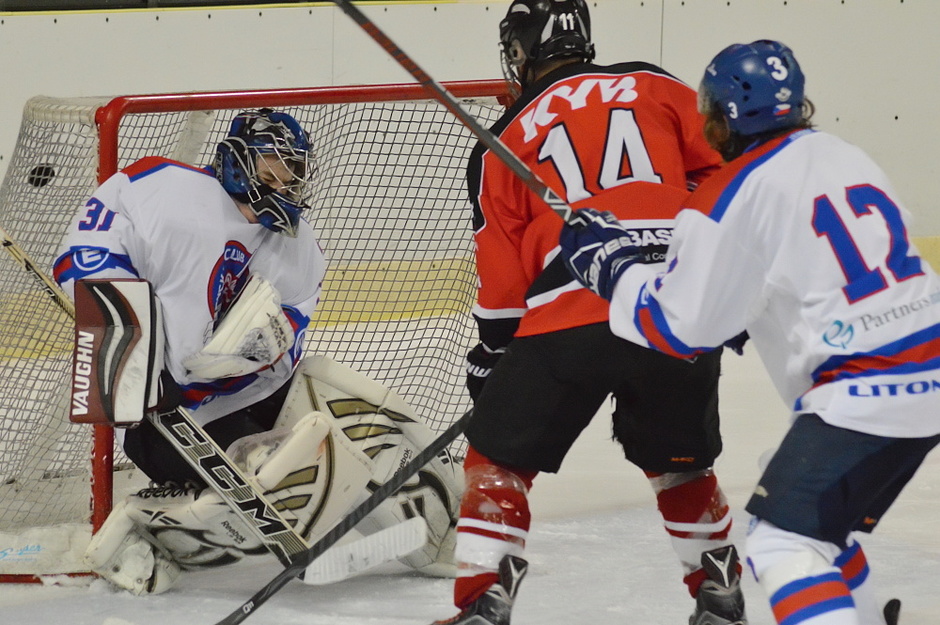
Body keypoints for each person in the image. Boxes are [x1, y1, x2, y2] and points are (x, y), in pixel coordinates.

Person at [559, 39, 937, 625]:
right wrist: (745, 312)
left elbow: (677, 328)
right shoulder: (844, 155)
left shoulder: (729, 194)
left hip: (865, 393)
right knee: (795, 498)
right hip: (927, 368)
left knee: (783, 544)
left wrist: (610, 267)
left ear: (720, 121)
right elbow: (826, 268)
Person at [53, 108, 461, 594]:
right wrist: (133, 349)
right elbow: (81, 256)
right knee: (274, 476)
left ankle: (436, 521)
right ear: (236, 161)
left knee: (345, 404)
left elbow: (289, 335)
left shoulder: (297, 245)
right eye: (272, 165)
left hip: (242, 395)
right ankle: (148, 524)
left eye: (293, 170)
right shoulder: (164, 190)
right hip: (165, 418)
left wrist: (242, 359)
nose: (284, 180)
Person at [432, 2, 748, 624]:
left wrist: (492, 356)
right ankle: (719, 594)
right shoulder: (656, 84)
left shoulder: (503, 141)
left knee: (497, 461)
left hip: (570, 307)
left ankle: (483, 601)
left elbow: (502, 283)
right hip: (673, 307)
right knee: (681, 464)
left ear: (519, 51)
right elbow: (728, 177)